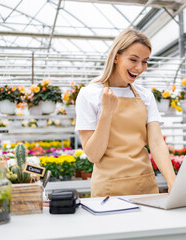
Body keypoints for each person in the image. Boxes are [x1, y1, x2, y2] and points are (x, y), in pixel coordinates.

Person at [75, 28, 176, 197]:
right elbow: (93, 155)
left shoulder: (145, 95)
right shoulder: (89, 94)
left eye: (145, 61)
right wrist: (106, 112)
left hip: (145, 184)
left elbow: (157, 143)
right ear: (116, 57)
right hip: (108, 190)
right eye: (133, 59)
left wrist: (173, 181)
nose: (139, 67)